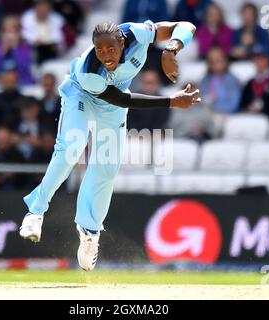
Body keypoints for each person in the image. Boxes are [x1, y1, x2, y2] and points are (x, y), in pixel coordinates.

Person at [19, 20, 201, 271]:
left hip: (112, 104)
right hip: (82, 95)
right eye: (100, 50)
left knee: (106, 168)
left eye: (111, 49)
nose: (106, 56)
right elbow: (122, 99)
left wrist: (170, 50)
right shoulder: (89, 70)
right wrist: (171, 101)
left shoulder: (139, 34)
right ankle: (36, 212)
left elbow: (186, 25)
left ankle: (89, 232)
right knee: (72, 146)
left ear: (122, 42)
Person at [169, 47, 241, 140]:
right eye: (212, 62)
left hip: (223, 113)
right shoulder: (204, 80)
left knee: (214, 122)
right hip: (204, 110)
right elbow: (200, 99)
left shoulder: (233, 80)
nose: (216, 64)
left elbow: (233, 104)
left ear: (225, 61)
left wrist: (213, 106)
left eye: (218, 61)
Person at [239, 45, 269, 118]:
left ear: (268, 60)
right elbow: (243, 104)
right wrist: (249, 108)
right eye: (256, 59)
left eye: (262, 58)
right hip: (251, 118)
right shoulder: (250, 82)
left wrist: (262, 109)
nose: (259, 62)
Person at [0, 16, 35, 85]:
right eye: (6, 32)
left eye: (12, 32)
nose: (9, 36)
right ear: (1, 34)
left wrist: (15, 48)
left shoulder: (25, 47)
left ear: (19, 33)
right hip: (1, 82)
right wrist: (2, 51)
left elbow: (24, 70)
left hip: (21, 81)